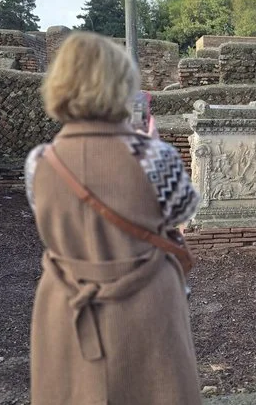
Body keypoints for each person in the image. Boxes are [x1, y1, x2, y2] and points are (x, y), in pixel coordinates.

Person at [24, 31, 202, 404]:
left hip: (66, 303)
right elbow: (184, 210)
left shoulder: (38, 161)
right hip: (144, 304)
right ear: (121, 85)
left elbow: (48, 217)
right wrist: (149, 143)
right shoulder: (154, 156)